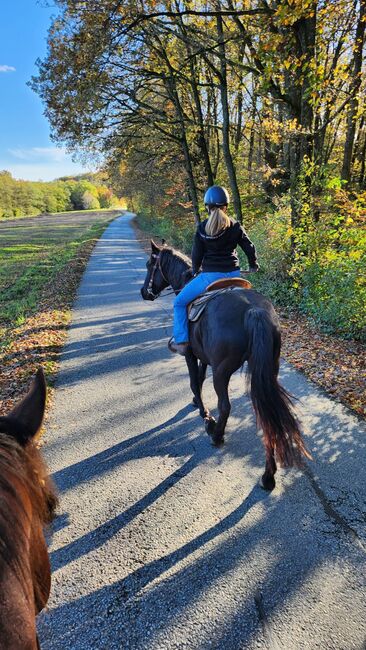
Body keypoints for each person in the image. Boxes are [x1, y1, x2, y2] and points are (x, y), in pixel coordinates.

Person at [168, 185, 259, 355]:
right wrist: (253, 264)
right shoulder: (235, 226)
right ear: (226, 205)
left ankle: (181, 341)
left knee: (179, 303)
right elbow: (249, 247)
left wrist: (195, 270)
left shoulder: (202, 228)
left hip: (210, 277)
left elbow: (196, 254)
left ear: (207, 206)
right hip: (234, 275)